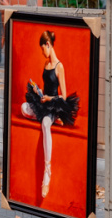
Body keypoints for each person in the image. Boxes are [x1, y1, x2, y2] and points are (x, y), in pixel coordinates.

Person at [21, 30, 80, 198]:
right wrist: (37, 91)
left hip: (53, 104)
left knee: (45, 124)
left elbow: (64, 95)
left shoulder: (59, 66)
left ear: (48, 45)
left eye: (43, 49)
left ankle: (47, 172)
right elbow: (44, 88)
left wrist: (49, 98)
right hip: (43, 101)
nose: (42, 53)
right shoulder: (46, 65)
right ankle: (52, 119)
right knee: (23, 108)